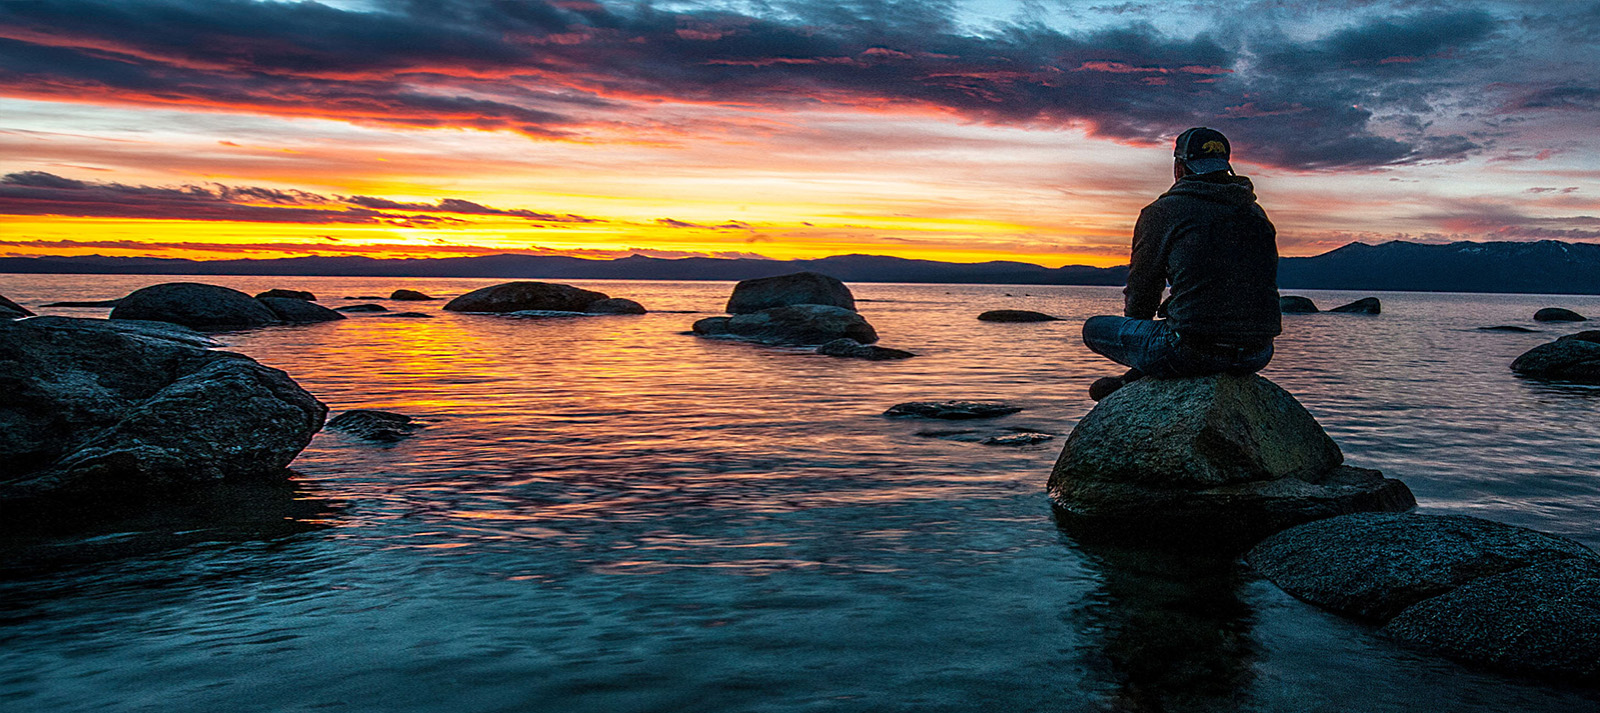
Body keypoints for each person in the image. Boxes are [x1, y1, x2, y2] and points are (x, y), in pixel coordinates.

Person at [1081, 127, 1281, 401]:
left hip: (1191, 351)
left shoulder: (1164, 212)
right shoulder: (1256, 213)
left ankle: (1138, 376)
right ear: (1226, 167)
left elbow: (1143, 290)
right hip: (1258, 353)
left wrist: (1142, 341)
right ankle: (1135, 377)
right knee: (1179, 321)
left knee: (1093, 328)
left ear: (1179, 166)